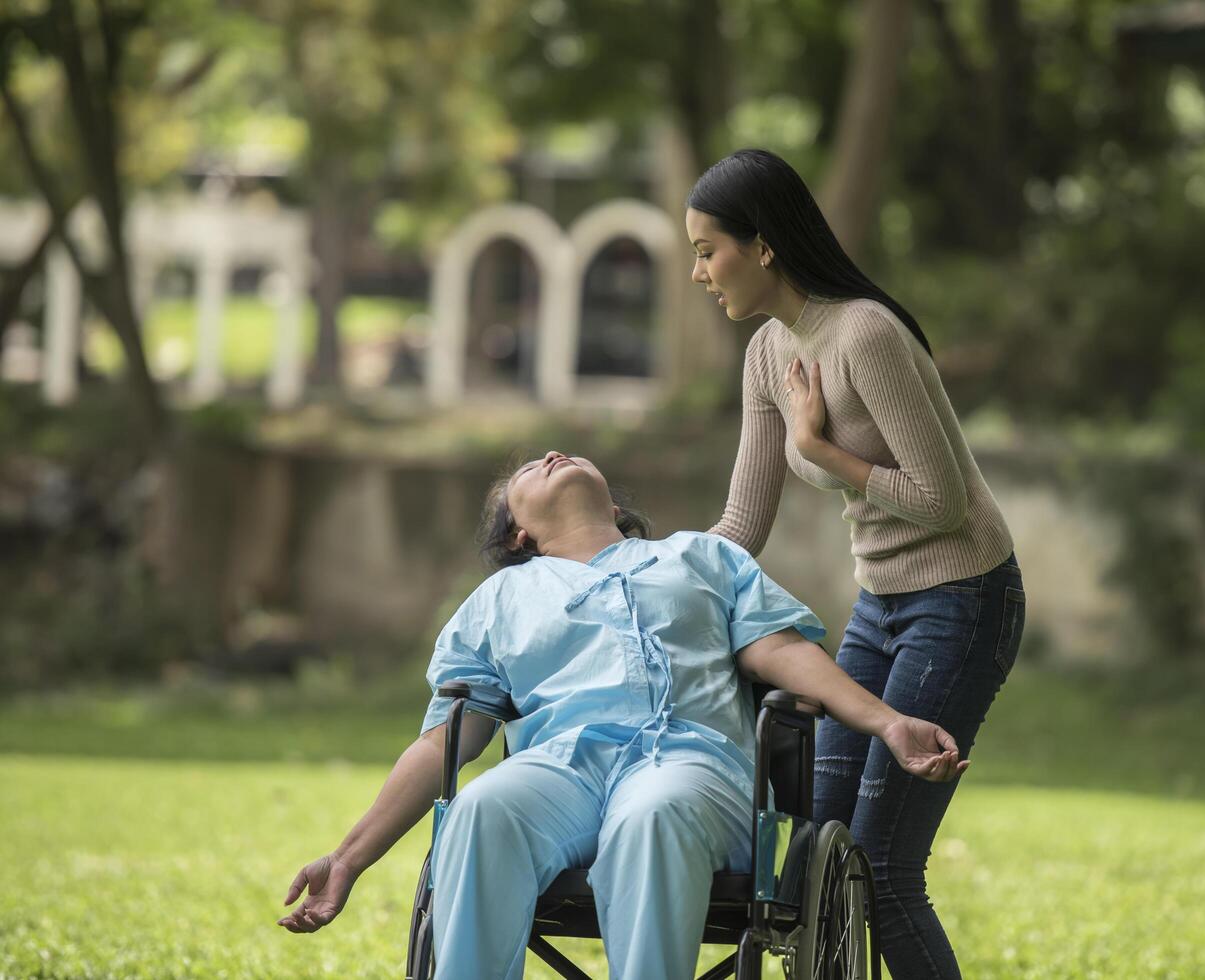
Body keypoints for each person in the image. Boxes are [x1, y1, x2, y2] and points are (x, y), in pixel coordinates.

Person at [278, 450, 969, 980]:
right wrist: (347, 859)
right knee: (483, 808)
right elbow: (441, 745)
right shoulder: (498, 600)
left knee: (653, 814)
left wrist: (885, 722)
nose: (550, 456)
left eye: (558, 454)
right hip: (559, 771)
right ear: (517, 534)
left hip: (692, 767)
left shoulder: (701, 558)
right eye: (528, 469)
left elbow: (783, 653)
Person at [689, 148, 1027, 978]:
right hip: (881, 606)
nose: (699, 272)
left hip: (963, 598)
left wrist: (818, 447)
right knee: (808, 854)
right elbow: (741, 521)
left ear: (762, 245)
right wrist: (652, 572)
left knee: (880, 868)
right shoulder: (769, 353)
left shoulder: (864, 334)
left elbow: (940, 501)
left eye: (707, 250)